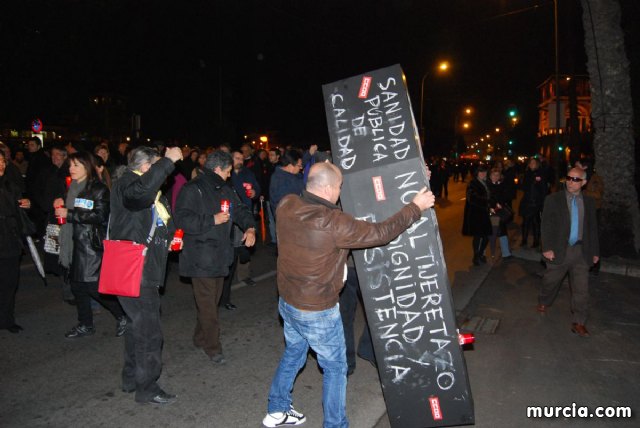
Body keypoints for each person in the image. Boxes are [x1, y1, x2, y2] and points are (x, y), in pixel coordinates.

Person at [262, 162, 435, 428]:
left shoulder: (287, 204)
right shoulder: (333, 222)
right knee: (335, 368)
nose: (341, 192)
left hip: (287, 302)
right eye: (340, 187)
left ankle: (277, 409)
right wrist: (415, 207)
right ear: (330, 187)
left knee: (294, 354)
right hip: (317, 309)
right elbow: (381, 232)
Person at [110, 145, 183, 405]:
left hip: (144, 267)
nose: (164, 175)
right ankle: (147, 387)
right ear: (146, 167)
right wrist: (169, 161)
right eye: (158, 167)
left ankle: (131, 378)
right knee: (149, 331)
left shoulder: (149, 190)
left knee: (136, 325)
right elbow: (138, 197)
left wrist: (172, 236)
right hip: (135, 269)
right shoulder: (128, 184)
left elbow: (158, 220)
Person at [174, 151, 256, 363]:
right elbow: (181, 219)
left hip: (220, 254)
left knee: (211, 301)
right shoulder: (192, 189)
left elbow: (240, 210)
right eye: (228, 171)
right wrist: (212, 220)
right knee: (209, 304)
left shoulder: (225, 188)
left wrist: (250, 228)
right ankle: (213, 347)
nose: (229, 175)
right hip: (200, 256)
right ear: (218, 169)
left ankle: (200, 336)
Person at [53, 152, 127, 339]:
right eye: (70, 165)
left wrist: (69, 214)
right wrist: (60, 202)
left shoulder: (98, 189)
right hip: (73, 243)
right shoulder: (71, 186)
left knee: (94, 287)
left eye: (76, 165)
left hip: (89, 246)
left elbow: (101, 216)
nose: (71, 169)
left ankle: (122, 315)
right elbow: (68, 206)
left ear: (87, 167)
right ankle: (85, 323)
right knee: (77, 287)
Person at [537, 167, 599, 337]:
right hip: (559, 249)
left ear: (584, 182)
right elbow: (546, 225)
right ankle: (544, 299)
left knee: (582, 290)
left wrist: (595, 251)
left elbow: (592, 228)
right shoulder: (553, 199)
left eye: (576, 179)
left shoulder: (589, 202)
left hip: (581, 251)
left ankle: (579, 322)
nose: (571, 182)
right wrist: (547, 248)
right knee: (550, 281)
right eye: (569, 178)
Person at [221, 150, 261, 308]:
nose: (240, 160)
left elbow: (257, 187)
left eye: (242, 158)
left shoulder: (247, 173)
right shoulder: (227, 177)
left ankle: (244, 275)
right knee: (233, 252)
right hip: (229, 219)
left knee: (245, 248)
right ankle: (224, 294)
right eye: (237, 158)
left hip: (245, 216)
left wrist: (254, 192)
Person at [0, 150, 31, 333]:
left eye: (3, 161)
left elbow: (21, 207)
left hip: (10, 238)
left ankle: (7, 319)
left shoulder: (11, 184)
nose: (2, 164)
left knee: (10, 282)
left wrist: (26, 203)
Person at [462, 164, 492, 265]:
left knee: (487, 236)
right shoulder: (473, 183)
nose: (483, 174)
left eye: (484, 172)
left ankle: (479, 254)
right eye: (481, 172)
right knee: (478, 236)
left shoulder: (486, 182)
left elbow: (491, 195)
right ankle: (476, 257)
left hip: (484, 213)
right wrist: (486, 203)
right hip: (476, 214)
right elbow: (472, 198)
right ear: (477, 173)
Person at [519, 157, 547, 248]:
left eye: (534, 162)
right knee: (526, 221)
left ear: (537, 164)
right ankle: (524, 240)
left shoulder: (540, 173)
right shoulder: (527, 173)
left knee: (535, 222)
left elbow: (543, 189)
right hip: (527, 201)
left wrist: (542, 201)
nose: (532, 164)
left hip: (536, 202)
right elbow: (523, 187)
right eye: (530, 162)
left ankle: (536, 241)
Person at [487, 167, 513, 260]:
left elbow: (505, 197)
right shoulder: (487, 185)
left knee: (502, 231)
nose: (495, 176)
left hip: (500, 212)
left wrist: (501, 203)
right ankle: (485, 253)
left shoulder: (501, 185)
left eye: (497, 175)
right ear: (490, 175)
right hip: (492, 212)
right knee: (492, 233)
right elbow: (486, 199)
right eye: (494, 174)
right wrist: (493, 205)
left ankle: (506, 253)